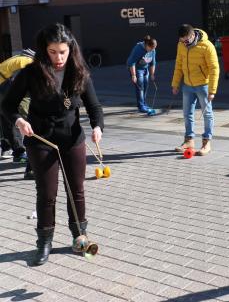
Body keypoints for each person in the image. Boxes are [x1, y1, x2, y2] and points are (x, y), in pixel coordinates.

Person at [2, 23, 104, 266]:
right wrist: (19, 121)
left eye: (63, 51)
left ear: (71, 49)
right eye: (53, 52)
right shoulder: (31, 73)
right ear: (43, 50)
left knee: (76, 190)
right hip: (41, 141)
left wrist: (98, 126)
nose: (59, 58)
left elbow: (94, 106)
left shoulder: (79, 71)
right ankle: (44, 243)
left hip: (72, 139)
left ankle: (80, 236)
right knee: (47, 194)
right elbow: (7, 105)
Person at [172, 24, 219, 155]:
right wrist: (175, 84)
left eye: (186, 41)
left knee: (207, 114)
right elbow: (179, 64)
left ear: (193, 35)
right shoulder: (181, 45)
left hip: (203, 85)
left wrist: (212, 90)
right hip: (187, 85)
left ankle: (206, 142)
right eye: (182, 41)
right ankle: (189, 140)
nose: (184, 43)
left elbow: (214, 68)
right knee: (187, 114)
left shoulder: (207, 46)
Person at [0, 48, 35, 179]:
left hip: (2, 88)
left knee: (7, 118)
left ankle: (16, 152)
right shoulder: (29, 62)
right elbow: (23, 85)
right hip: (7, 87)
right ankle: (31, 168)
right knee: (30, 122)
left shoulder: (19, 59)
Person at [126, 35, 157, 114]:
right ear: (146, 45)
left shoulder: (152, 50)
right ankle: (141, 106)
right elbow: (131, 62)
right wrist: (133, 75)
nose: (152, 50)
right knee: (140, 87)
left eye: (154, 49)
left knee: (145, 85)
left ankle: (144, 103)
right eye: (151, 49)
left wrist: (152, 74)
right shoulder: (138, 49)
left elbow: (153, 63)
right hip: (136, 69)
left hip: (145, 69)